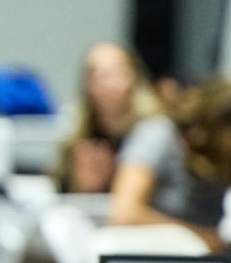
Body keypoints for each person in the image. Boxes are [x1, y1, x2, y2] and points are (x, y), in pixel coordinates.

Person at [109, 79, 231, 251]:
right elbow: (125, 213)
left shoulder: (230, 157)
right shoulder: (158, 136)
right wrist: (200, 236)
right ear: (222, 127)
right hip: (155, 258)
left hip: (206, 259)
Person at [52, 42, 163, 193]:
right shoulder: (78, 135)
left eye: (113, 72)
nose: (103, 80)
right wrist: (85, 187)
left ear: (134, 76)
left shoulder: (153, 130)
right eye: (94, 73)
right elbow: (62, 192)